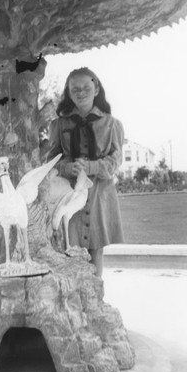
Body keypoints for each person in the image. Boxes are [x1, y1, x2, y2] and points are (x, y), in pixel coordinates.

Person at [46, 67, 124, 277]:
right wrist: (66, 167)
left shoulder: (112, 124)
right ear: (69, 93)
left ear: (96, 89)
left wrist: (92, 167)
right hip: (69, 194)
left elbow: (116, 160)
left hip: (100, 192)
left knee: (96, 249)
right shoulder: (59, 125)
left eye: (86, 88)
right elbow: (51, 160)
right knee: (70, 248)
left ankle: (96, 300)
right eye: (75, 89)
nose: (81, 93)